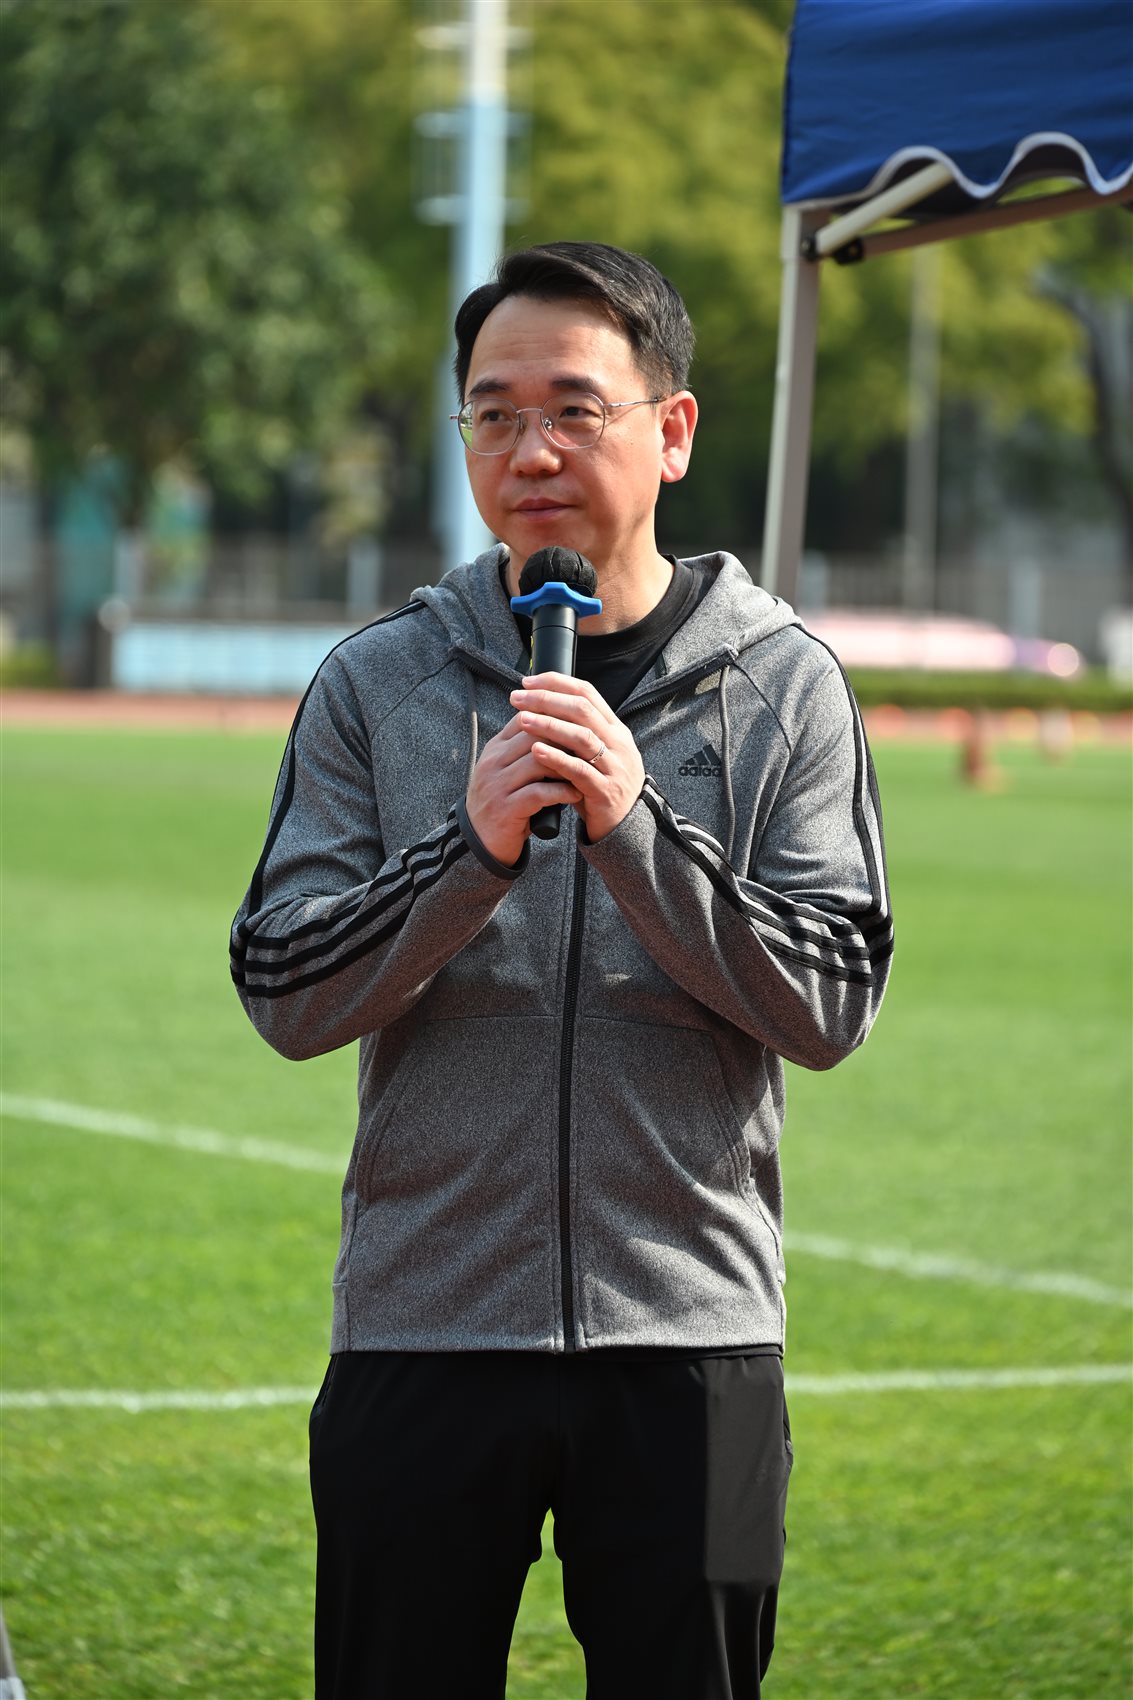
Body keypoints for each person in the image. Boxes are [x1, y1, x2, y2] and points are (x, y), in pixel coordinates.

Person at [231, 240, 893, 1699]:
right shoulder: (377, 683)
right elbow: (284, 988)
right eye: (492, 413)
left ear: (672, 430)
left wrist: (635, 831)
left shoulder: (785, 685)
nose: (528, 451)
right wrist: (462, 857)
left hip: (695, 1340)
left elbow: (831, 1001)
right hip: (422, 1330)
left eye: (574, 410)